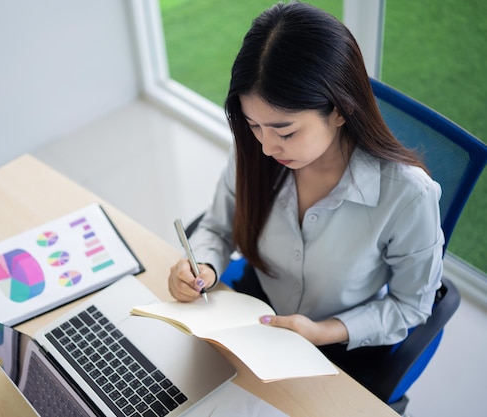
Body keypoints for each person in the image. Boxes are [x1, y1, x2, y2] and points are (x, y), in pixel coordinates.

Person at [167, 0, 444, 394]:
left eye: (285, 131)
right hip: (254, 315)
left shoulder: (406, 195)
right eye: (254, 126)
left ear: (340, 111)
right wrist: (203, 267)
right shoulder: (255, 148)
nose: (265, 147)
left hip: (336, 345)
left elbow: (411, 306)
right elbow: (216, 226)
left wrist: (320, 332)